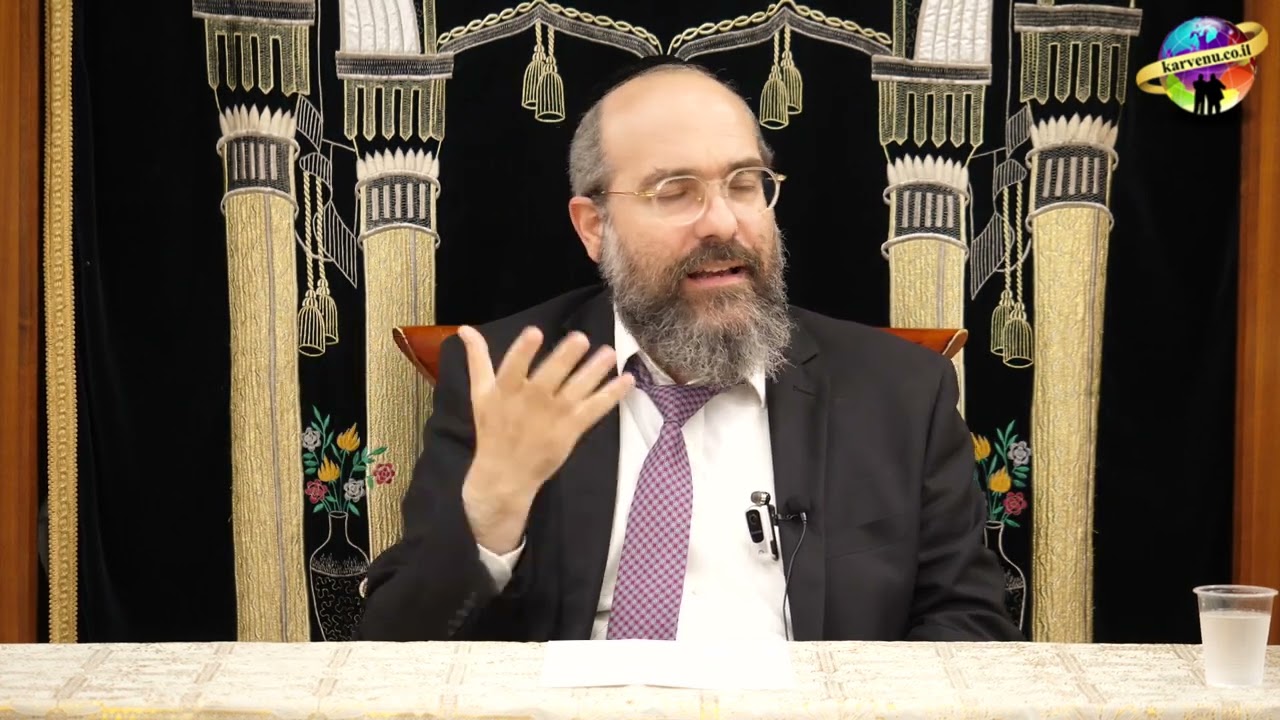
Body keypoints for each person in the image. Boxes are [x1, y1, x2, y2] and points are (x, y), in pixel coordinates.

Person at [356, 58, 1023, 643]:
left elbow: (966, 626)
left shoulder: (901, 392)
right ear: (594, 227)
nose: (723, 222)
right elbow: (394, 648)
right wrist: (492, 512)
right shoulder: (508, 379)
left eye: (744, 183)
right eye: (674, 192)